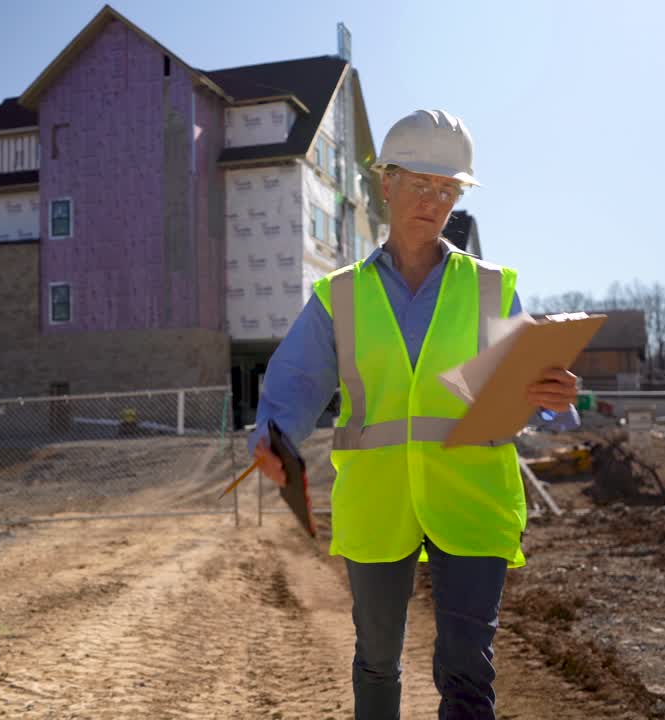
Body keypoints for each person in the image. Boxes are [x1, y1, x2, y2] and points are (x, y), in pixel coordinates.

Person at [249, 109, 580, 720]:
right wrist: (275, 435)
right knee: (376, 658)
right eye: (421, 184)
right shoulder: (340, 294)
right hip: (378, 501)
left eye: (448, 189)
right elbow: (296, 379)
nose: (434, 200)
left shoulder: (488, 287)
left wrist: (557, 397)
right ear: (387, 183)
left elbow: (530, 381)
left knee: (467, 668)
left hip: (471, 497)